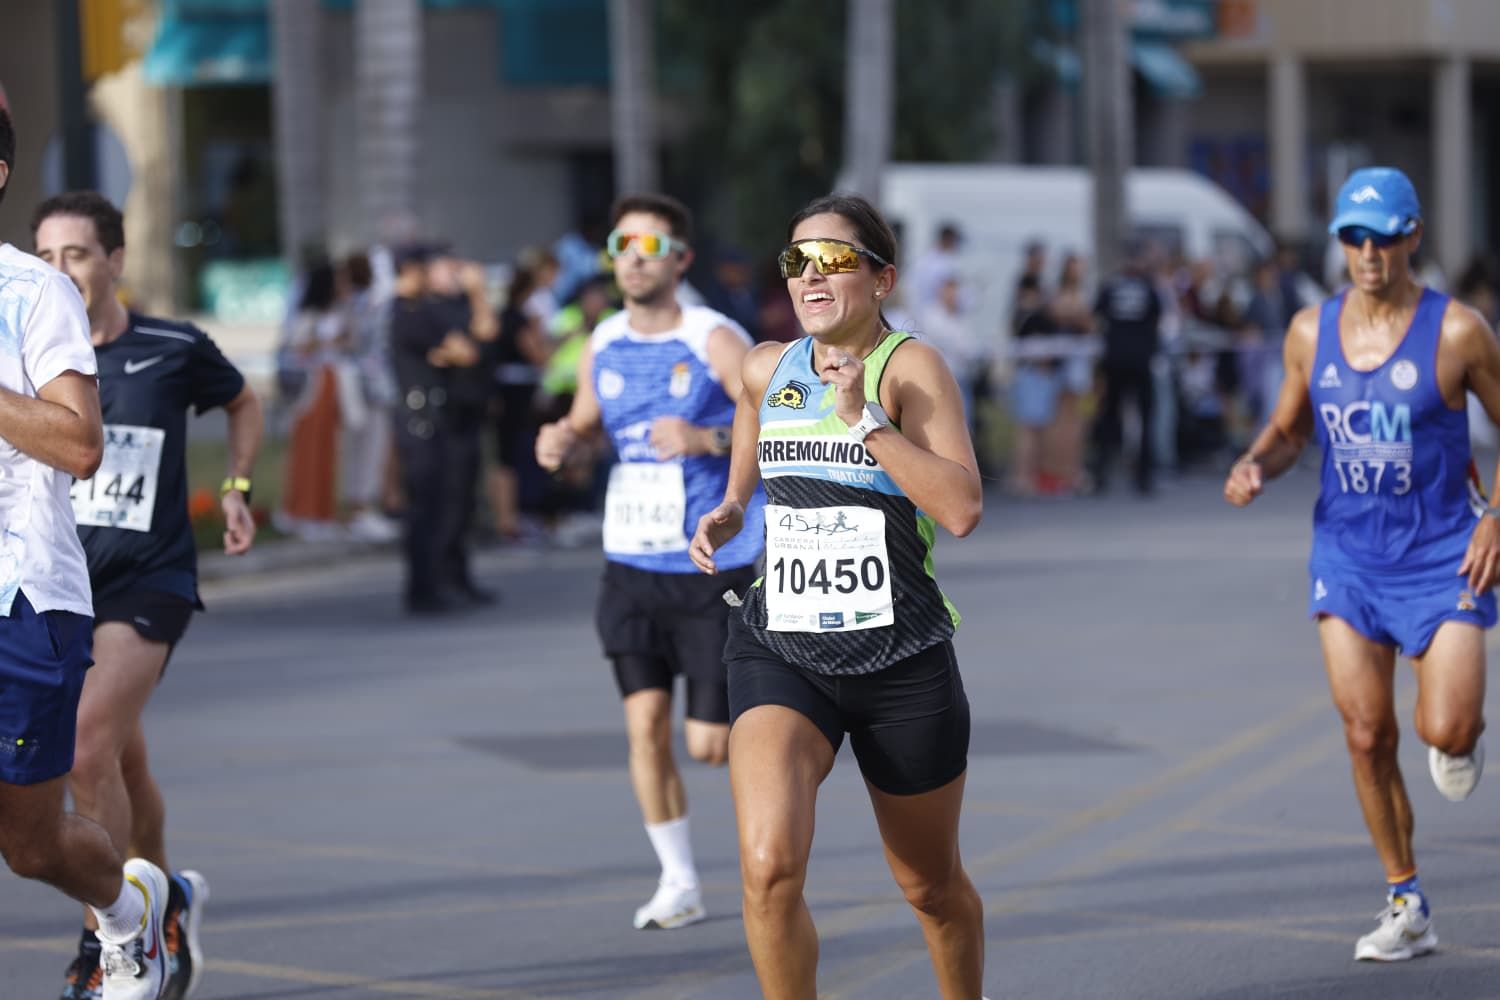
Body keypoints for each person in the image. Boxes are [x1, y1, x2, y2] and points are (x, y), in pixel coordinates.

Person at [689, 194, 987, 999]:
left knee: (930, 887)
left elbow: (962, 509)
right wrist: (734, 501)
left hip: (901, 659)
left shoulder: (910, 369)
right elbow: (750, 406)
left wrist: (864, 422)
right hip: (782, 649)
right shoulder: (769, 364)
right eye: (798, 260)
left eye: (834, 260)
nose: (811, 277)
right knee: (767, 867)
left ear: (881, 279)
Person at [1224, 167, 1498, 962]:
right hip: (1348, 556)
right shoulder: (1310, 331)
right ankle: (1406, 901)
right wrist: (1254, 463)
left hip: (1444, 554)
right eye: (1353, 238)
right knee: (1367, 732)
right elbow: (1289, 430)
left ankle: (1456, 735)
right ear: (1339, 243)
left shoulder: (1459, 332)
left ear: (1413, 237)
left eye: (1383, 238)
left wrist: (1496, 518)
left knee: (1445, 727)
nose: (1369, 253)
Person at [33, 189, 264, 1000]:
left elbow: (243, 400)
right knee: (123, 761)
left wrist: (236, 487)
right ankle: (168, 904)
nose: (61, 270)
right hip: (61, 580)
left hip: (149, 577)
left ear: (115, 260)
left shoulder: (171, 346)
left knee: (88, 748)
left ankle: (110, 942)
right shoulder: (30, 353)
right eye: (47, 256)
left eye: (77, 254)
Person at [535, 193, 763, 930]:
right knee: (643, 727)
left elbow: (775, 418)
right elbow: (585, 423)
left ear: (681, 260)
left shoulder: (713, 337)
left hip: (712, 565)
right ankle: (679, 880)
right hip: (630, 563)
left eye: (651, 247)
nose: (633, 259)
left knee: (709, 745)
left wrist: (705, 440)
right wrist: (562, 440)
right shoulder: (602, 340)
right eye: (622, 246)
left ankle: (769, 856)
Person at [0, 107, 172, 1000]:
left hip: (22, 598)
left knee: (30, 845)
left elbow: (78, 444)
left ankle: (129, 914)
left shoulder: (33, 293)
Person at [387, 243, 495, 615]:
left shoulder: (426, 309)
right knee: (426, 507)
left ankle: (444, 579)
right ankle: (424, 587)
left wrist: (448, 352)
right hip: (421, 419)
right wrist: (450, 352)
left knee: (449, 503)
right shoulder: (410, 311)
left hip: (441, 417)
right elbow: (465, 351)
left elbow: (469, 346)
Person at [1088, 243, 1164, 495]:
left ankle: (1101, 473)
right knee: (1145, 417)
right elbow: (1158, 320)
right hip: (1140, 361)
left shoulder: (1111, 287)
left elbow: (1096, 317)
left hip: (1115, 359)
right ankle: (1143, 476)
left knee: (1110, 418)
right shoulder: (1148, 288)